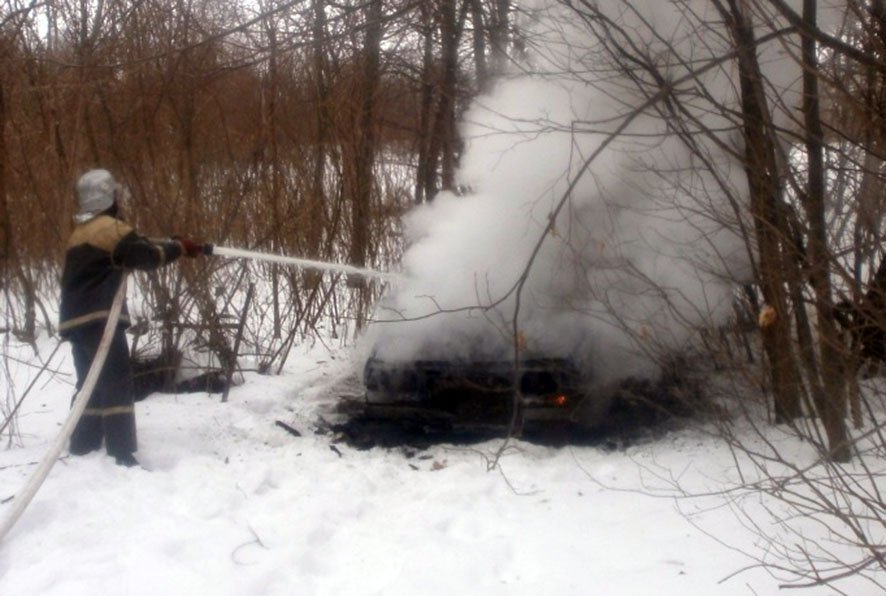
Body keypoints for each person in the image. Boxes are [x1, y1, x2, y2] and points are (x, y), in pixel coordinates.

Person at [59, 169, 204, 467]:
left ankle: (83, 442)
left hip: (75, 321)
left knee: (91, 382)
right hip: (99, 318)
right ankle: (121, 453)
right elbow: (145, 255)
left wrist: (172, 243)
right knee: (116, 381)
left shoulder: (81, 233)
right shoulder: (110, 228)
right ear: (108, 197)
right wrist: (179, 248)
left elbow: (137, 246)